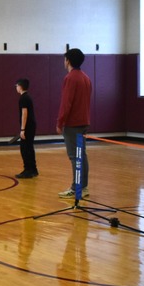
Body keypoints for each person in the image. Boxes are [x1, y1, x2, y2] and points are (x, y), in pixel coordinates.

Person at [56, 48, 93, 198]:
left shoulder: (70, 78)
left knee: (75, 156)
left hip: (73, 124)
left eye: (65, 59)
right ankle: (83, 188)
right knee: (81, 155)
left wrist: (60, 122)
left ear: (68, 61)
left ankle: (76, 188)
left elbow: (66, 103)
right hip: (83, 121)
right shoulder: (85, 77)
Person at [16, 78, 38, 179]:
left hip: (27, 127)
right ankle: (33, 170)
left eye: (16, 86)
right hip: (31, 126)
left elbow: (24, 113)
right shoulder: (27, 97)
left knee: (24, 149)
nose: (16, 88)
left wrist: (22, 129)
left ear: (20, 86)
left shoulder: (23, 98)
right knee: (29, 147)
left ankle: (28, 170)